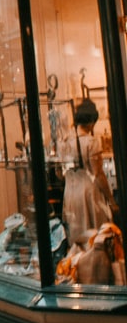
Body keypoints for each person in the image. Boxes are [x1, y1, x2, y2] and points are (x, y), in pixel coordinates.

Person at [60, 99, 115, 247]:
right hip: (89, 194)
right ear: (91, 121)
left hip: (70, 193)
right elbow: (98, 175)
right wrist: (111, 200)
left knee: (77, 236)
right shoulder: (91, 142)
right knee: (96, 236)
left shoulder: (65, 142)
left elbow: (60, 173)